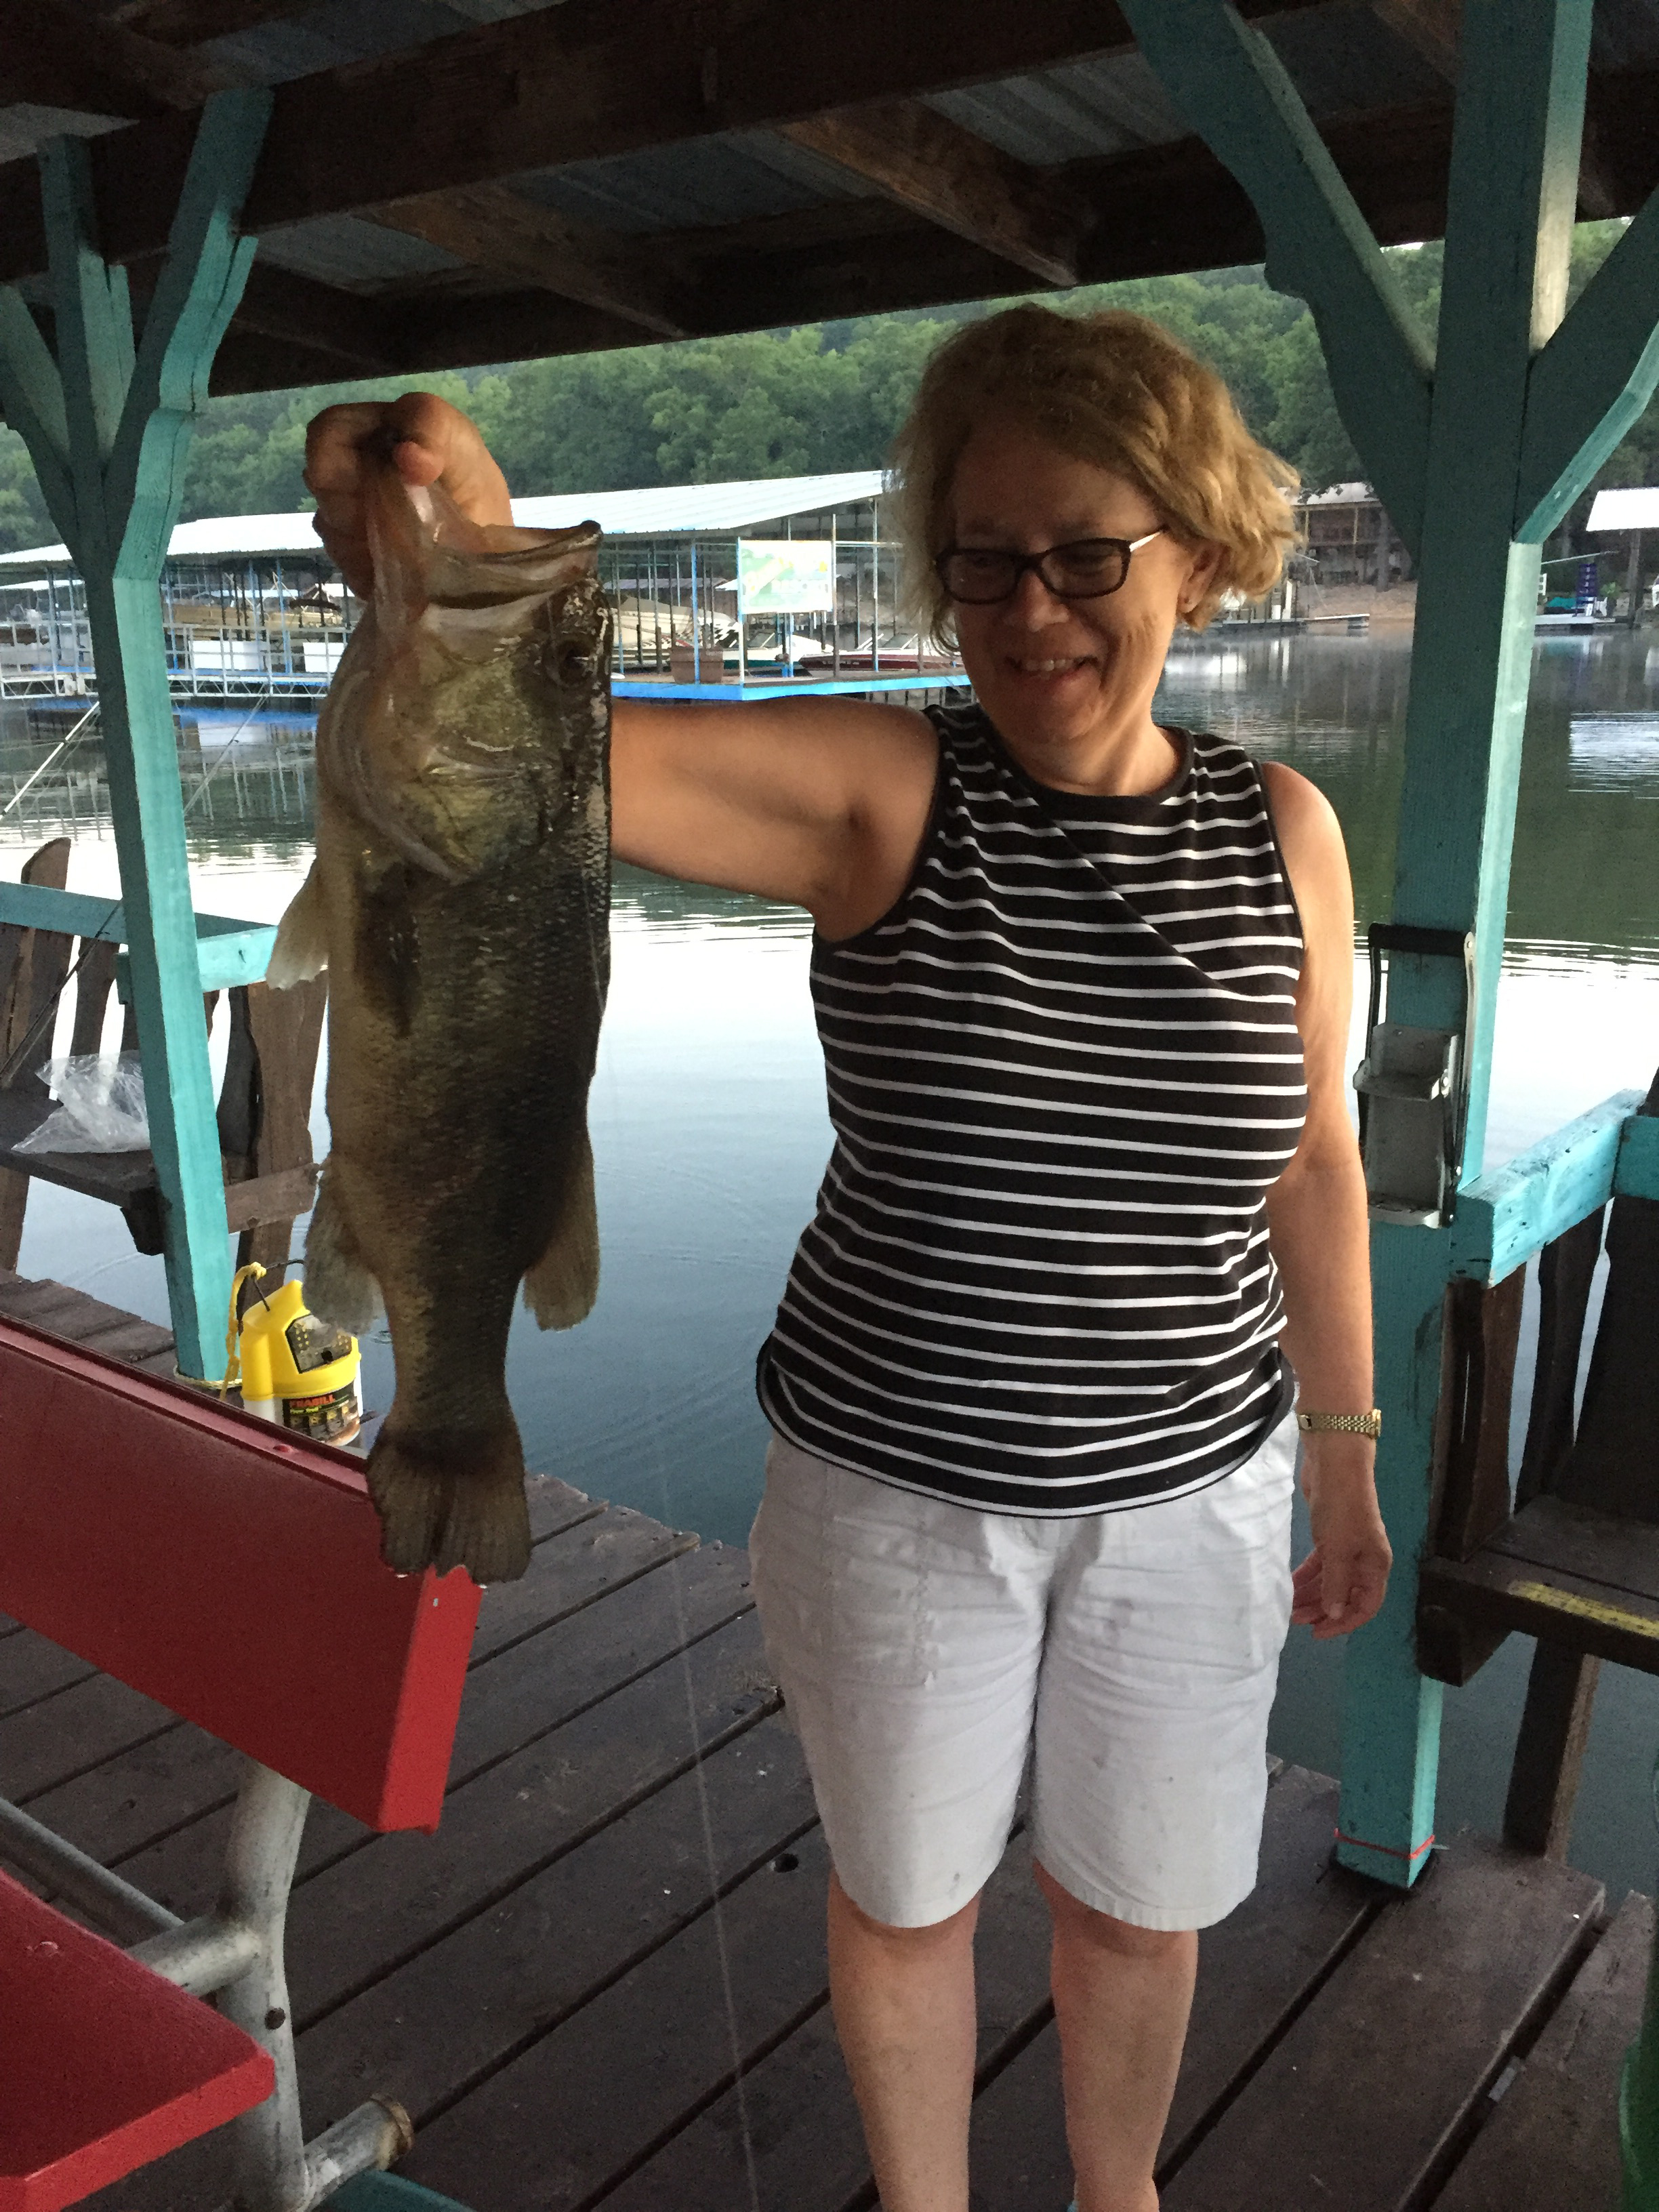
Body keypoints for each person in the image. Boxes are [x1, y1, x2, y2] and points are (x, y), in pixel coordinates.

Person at [306, 303, 1391, 2212]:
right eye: (984, 560)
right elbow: (547, 761)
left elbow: (1314, 1156)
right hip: (902, 1499)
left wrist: (1347, 1441)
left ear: (1203, 558)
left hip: (1195, 1497)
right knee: (909, 1902)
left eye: (1087, 553)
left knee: (1140, 1912)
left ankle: (1118, 2196)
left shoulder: (1282, 829)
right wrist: (449, 555)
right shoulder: (895, 795)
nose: (1033, 607)